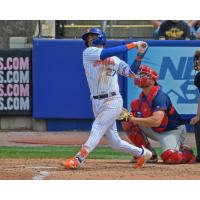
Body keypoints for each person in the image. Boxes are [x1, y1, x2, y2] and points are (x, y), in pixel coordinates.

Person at [61, 28, 152, 170]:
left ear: (100, 37)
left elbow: (132, 73)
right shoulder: (89, 53)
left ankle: (79, 158)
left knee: (97, 126)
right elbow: (105, 53)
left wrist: (140, 55)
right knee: (115, 142)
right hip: (96, 101)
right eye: (88, 38)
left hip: (113, 100)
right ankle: (143, 153)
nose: (89, 39)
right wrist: (133, 44)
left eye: (92, 36)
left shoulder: (115, 60)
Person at [119, 65, 196, 164]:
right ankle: (148, 153)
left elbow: (156, 121)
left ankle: (187, 153)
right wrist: (126, 116)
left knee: (170, 157)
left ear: (152, 80)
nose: (139, 77)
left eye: (144, 75)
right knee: (126, 121)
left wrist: (133, 119)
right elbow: (133, 120)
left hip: (173, 131)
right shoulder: (138, 101)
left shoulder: (159, 96)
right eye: (139, 75)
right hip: (156, 129)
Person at [190, 50, 200, 162]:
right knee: (198, 122)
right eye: (196, 58)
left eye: (199, 58)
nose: (197, 61)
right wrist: (198, 115)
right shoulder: (199, 77)